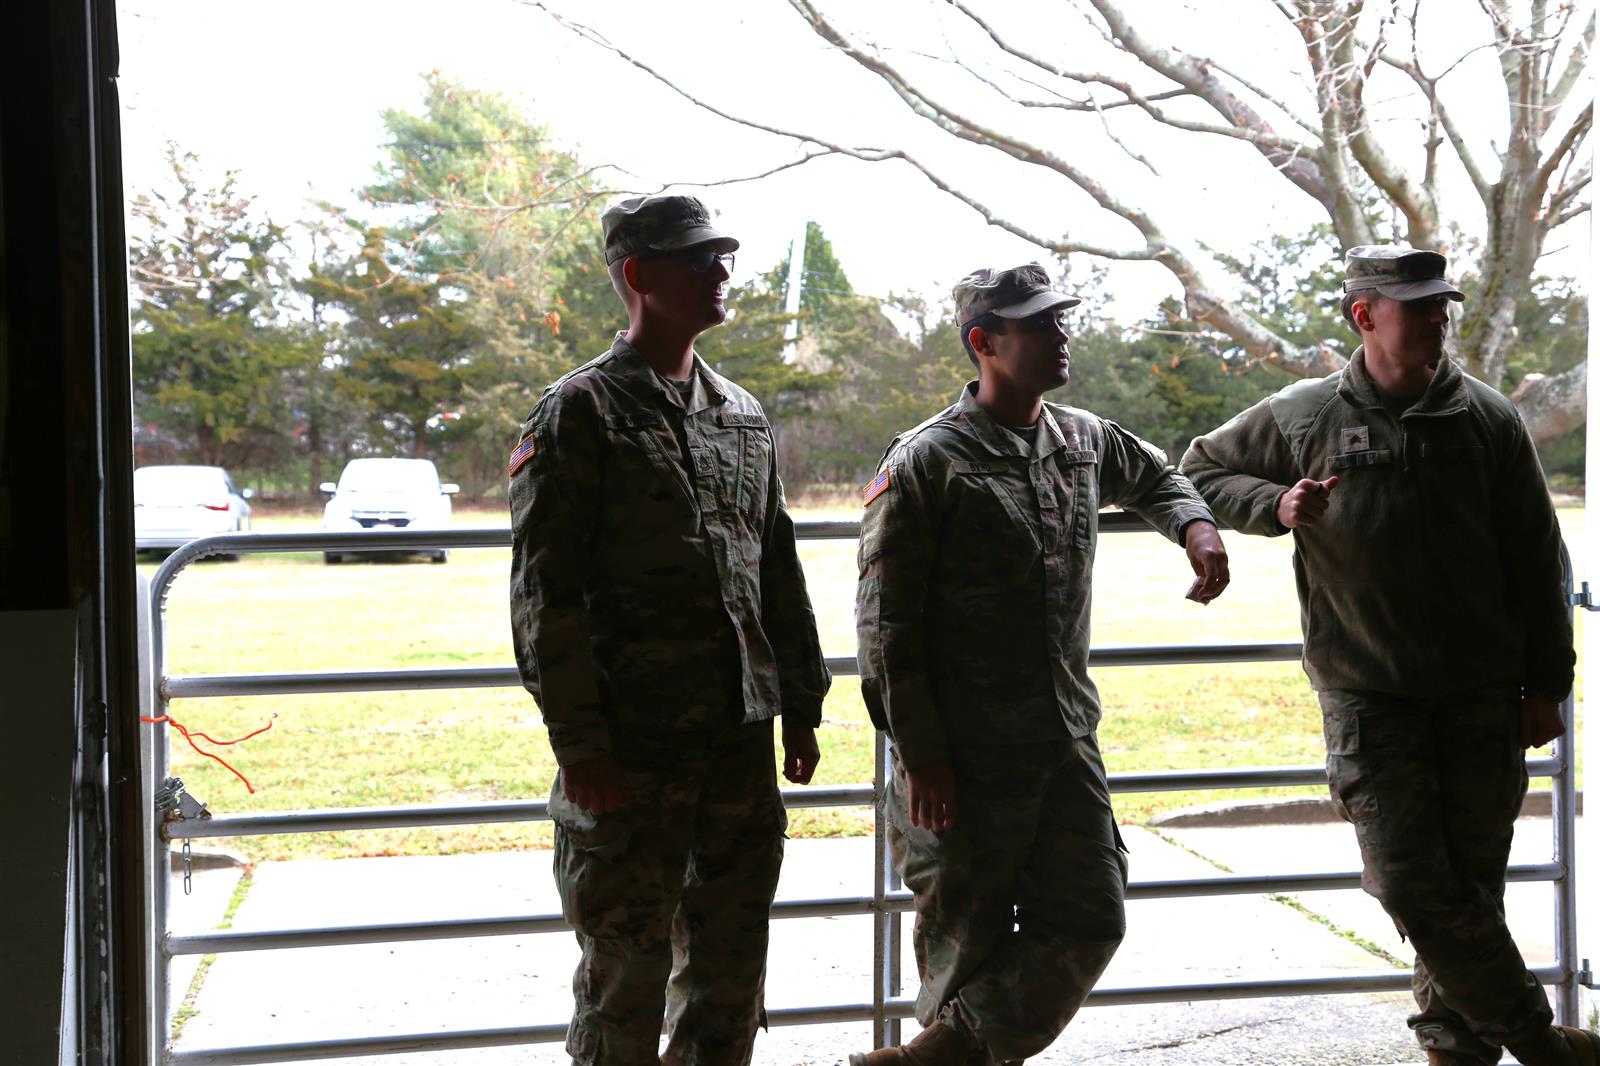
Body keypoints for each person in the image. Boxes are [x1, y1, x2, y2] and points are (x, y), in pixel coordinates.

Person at [1181, 245, 1596, 1066]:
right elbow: (1198, 470)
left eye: (1444, 304)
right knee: (1409, 882)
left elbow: (1537, 558)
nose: (1439, 318)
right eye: (1420, 306)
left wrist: (1547, 685)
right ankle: (1540, 1043)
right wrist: (1276, 503)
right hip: (1368, 693)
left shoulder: (1488, 419)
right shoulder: (1304, 414)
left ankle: (1455, 1050)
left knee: (1468, 887)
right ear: (1364, 315)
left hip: (1482, 694)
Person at [851, 263, 1230, 1066]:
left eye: (1063, 321)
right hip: (962, 757)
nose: (1062, 337)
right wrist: (922, 754)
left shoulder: (1082, 440)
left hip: (1062, 740)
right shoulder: (927, 460)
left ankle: (927, 1060)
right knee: (967, 942)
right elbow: (887, 628)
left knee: (1092, 913)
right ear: (984, 343)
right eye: (1039, 325)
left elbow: (1159, 476)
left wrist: (1195, 528)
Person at [507, 193, 831, 1066]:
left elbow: (775, 569)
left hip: (737, 746)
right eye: (697, 259)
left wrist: (801, 705)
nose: (721, 272)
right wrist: (582, 749)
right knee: (625, 981)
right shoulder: (578, 411)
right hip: (629, 753)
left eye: (723, 256)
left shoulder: (742, 414)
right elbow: (545, 597)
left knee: (729, 979)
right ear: (639, 274)